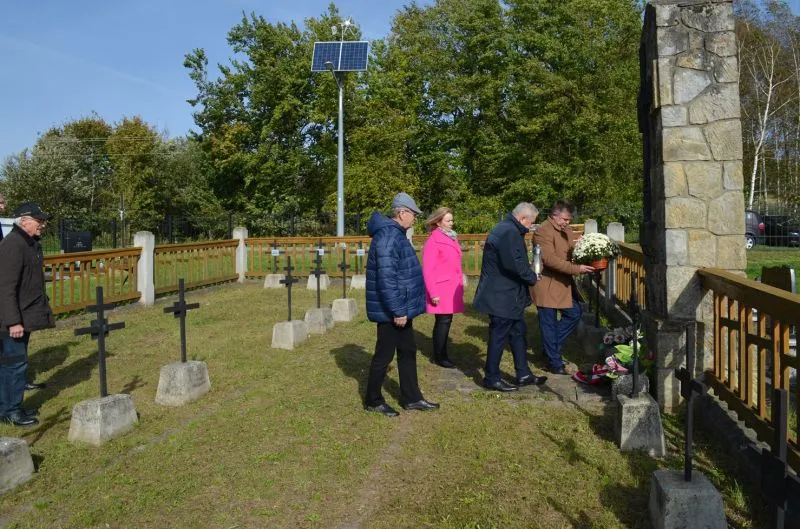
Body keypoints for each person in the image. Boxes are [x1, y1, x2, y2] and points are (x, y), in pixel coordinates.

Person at [363, 192, 440, 417]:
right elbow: (387, 279)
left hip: (401, 307)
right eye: (413, 214)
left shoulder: (396, 234)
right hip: (392, 310)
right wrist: (397, 310)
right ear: (402, 213)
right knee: (384, 355)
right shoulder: (388, 237)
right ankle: (373, 400)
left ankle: (412, 398)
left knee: (407, 351)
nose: (415, 218)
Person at [473, 203, 548, 392]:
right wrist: (533, 277)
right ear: (523, 218)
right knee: (499, 336)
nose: (531, 226)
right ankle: (491, 378)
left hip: (507, 294)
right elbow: (514, 264)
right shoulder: (509, 232)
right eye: (531, 222)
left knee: (518, 332)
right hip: (502, 295)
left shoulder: (505, 228)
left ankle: (523, 374)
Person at [0, 203, 55, 426]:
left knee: (13, 363)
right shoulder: (13, 245)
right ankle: (10, 411)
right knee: (14, 364)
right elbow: (5, 287)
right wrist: (13, 321)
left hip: (23, 315)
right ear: (24, 221)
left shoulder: (27, 243)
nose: (43, 224)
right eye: (39, 220)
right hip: (12, 321)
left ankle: (10, 406)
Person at [531, 199, 594, 375]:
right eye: (565, 219)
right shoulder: (543, 230)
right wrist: (576, 269)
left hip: (562, 284)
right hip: (547, 284)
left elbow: (570, 249)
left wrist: (582, 247)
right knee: (548, 323)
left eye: (569, 219)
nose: (567, 222)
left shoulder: (565, 229)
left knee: (574, 313)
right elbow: (549, 259)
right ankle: (554, 362)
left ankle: (549, 350)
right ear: (554, 215)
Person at [422, 207, 464, 369]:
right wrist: (433, 293)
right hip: (441, 289)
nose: (451, 223)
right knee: (443, 321)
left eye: (452, 220)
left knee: (446, 321)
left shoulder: (451, 237)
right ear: (438, 222)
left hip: (450, 287)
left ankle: (441, 353)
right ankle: (439, 356)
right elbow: (428, 270)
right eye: (448, 220)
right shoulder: (433, 241)